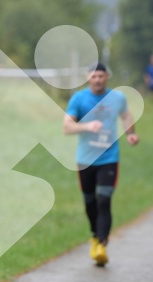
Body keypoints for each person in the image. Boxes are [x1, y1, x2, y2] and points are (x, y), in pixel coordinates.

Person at [63, 63, 139, 267]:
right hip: (85, 160)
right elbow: (66, 127)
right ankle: (95, 236)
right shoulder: (79, 99)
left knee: (104, 200)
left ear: (107, 77)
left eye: (101, 76)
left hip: (109, 158)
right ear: (88, 77)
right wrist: (87, 125)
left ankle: (102, 246)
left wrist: (131, 133)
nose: (97, 80)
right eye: (94, 76)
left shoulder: (117, 98)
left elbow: (126, 115)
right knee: (89, 202)